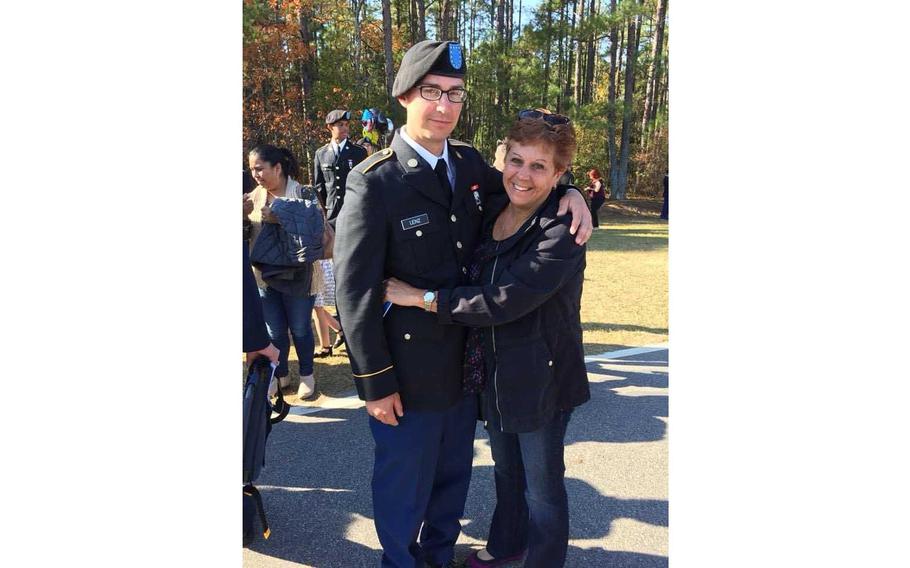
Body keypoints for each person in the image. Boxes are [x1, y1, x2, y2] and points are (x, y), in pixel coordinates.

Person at [333, 39, 592, 568]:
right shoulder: (373, 181)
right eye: (433, 92)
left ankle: (438, 557)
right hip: (404, 372)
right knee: (404, 487)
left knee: (452, 485)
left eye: (456, 94)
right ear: (405, 95)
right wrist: (374, 383)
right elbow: (354, 290)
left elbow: (528, 190)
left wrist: (575, 195)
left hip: (464, 368)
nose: (445, 106)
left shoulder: (469, 164)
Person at [383, 111, 589, 568]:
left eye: (540, 167)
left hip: (542, 377)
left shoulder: (562, 231)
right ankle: (507, 544)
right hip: (492, 372)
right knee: (506, 471)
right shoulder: (495, 204)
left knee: (543, 487)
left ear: (558, 174)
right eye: (517, 160)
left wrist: (424, 299)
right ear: (504, 159)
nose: (523, 175)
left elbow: (503, 301)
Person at [246, 144, 319, 400]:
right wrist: (243, 218)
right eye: (252, 169)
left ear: (277, 167)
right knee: (275, 331)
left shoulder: (303, 192)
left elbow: (317, 232)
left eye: (260, 168)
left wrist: (282, 217)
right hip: (264, 277)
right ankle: (281, 375)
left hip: (299, 276)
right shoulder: (253, 197)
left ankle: (307, 375)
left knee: (300, 328)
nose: (255, 174)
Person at [313, 109, 369, 228]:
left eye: (347, 125)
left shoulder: (358, 152)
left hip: (354, 212)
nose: (345, 128)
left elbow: (365, 184)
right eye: (340, 125)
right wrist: (322, 213)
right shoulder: (321, 154)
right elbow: (320, 188)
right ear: (330, 127)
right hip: (332, 215)